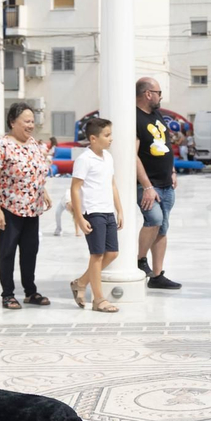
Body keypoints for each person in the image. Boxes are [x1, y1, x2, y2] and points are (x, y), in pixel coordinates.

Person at [0, 101, 53, 309]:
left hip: (33, 209)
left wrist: (44, 191)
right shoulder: (1, 145)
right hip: (10, 208)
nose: (30, 125)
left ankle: (30, 291)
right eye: (26, 121)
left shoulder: (33, 143)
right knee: (7, 252)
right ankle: (7, 294)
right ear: (12, 122)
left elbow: (35, 171)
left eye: (32, 121)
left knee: (30, 252)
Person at [69, 116, 123, 314]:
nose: (111, 139)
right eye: (107, 135)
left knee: (112, 253)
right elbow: (75, 188)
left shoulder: (108, 157)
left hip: (108, 211)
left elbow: (112, 184)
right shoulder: (84, 159)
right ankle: (98, 300)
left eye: (110, 134)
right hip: (93, 212)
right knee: (97, 255)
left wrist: (119, 210)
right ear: (93, 138)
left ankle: (81, 283)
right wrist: (79, 217)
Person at [136, 77, 182, 289]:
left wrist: (172, 171)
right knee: (154, 219)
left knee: (162, 228)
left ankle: (157, 275)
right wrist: (147, 186)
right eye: (159, 93)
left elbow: (165, 145)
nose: (160, 97)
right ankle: (139, 259)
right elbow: (133, 155)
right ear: (148, 94)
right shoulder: (135, 118)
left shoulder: (157, 114)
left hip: (166, 183)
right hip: (148, 184)